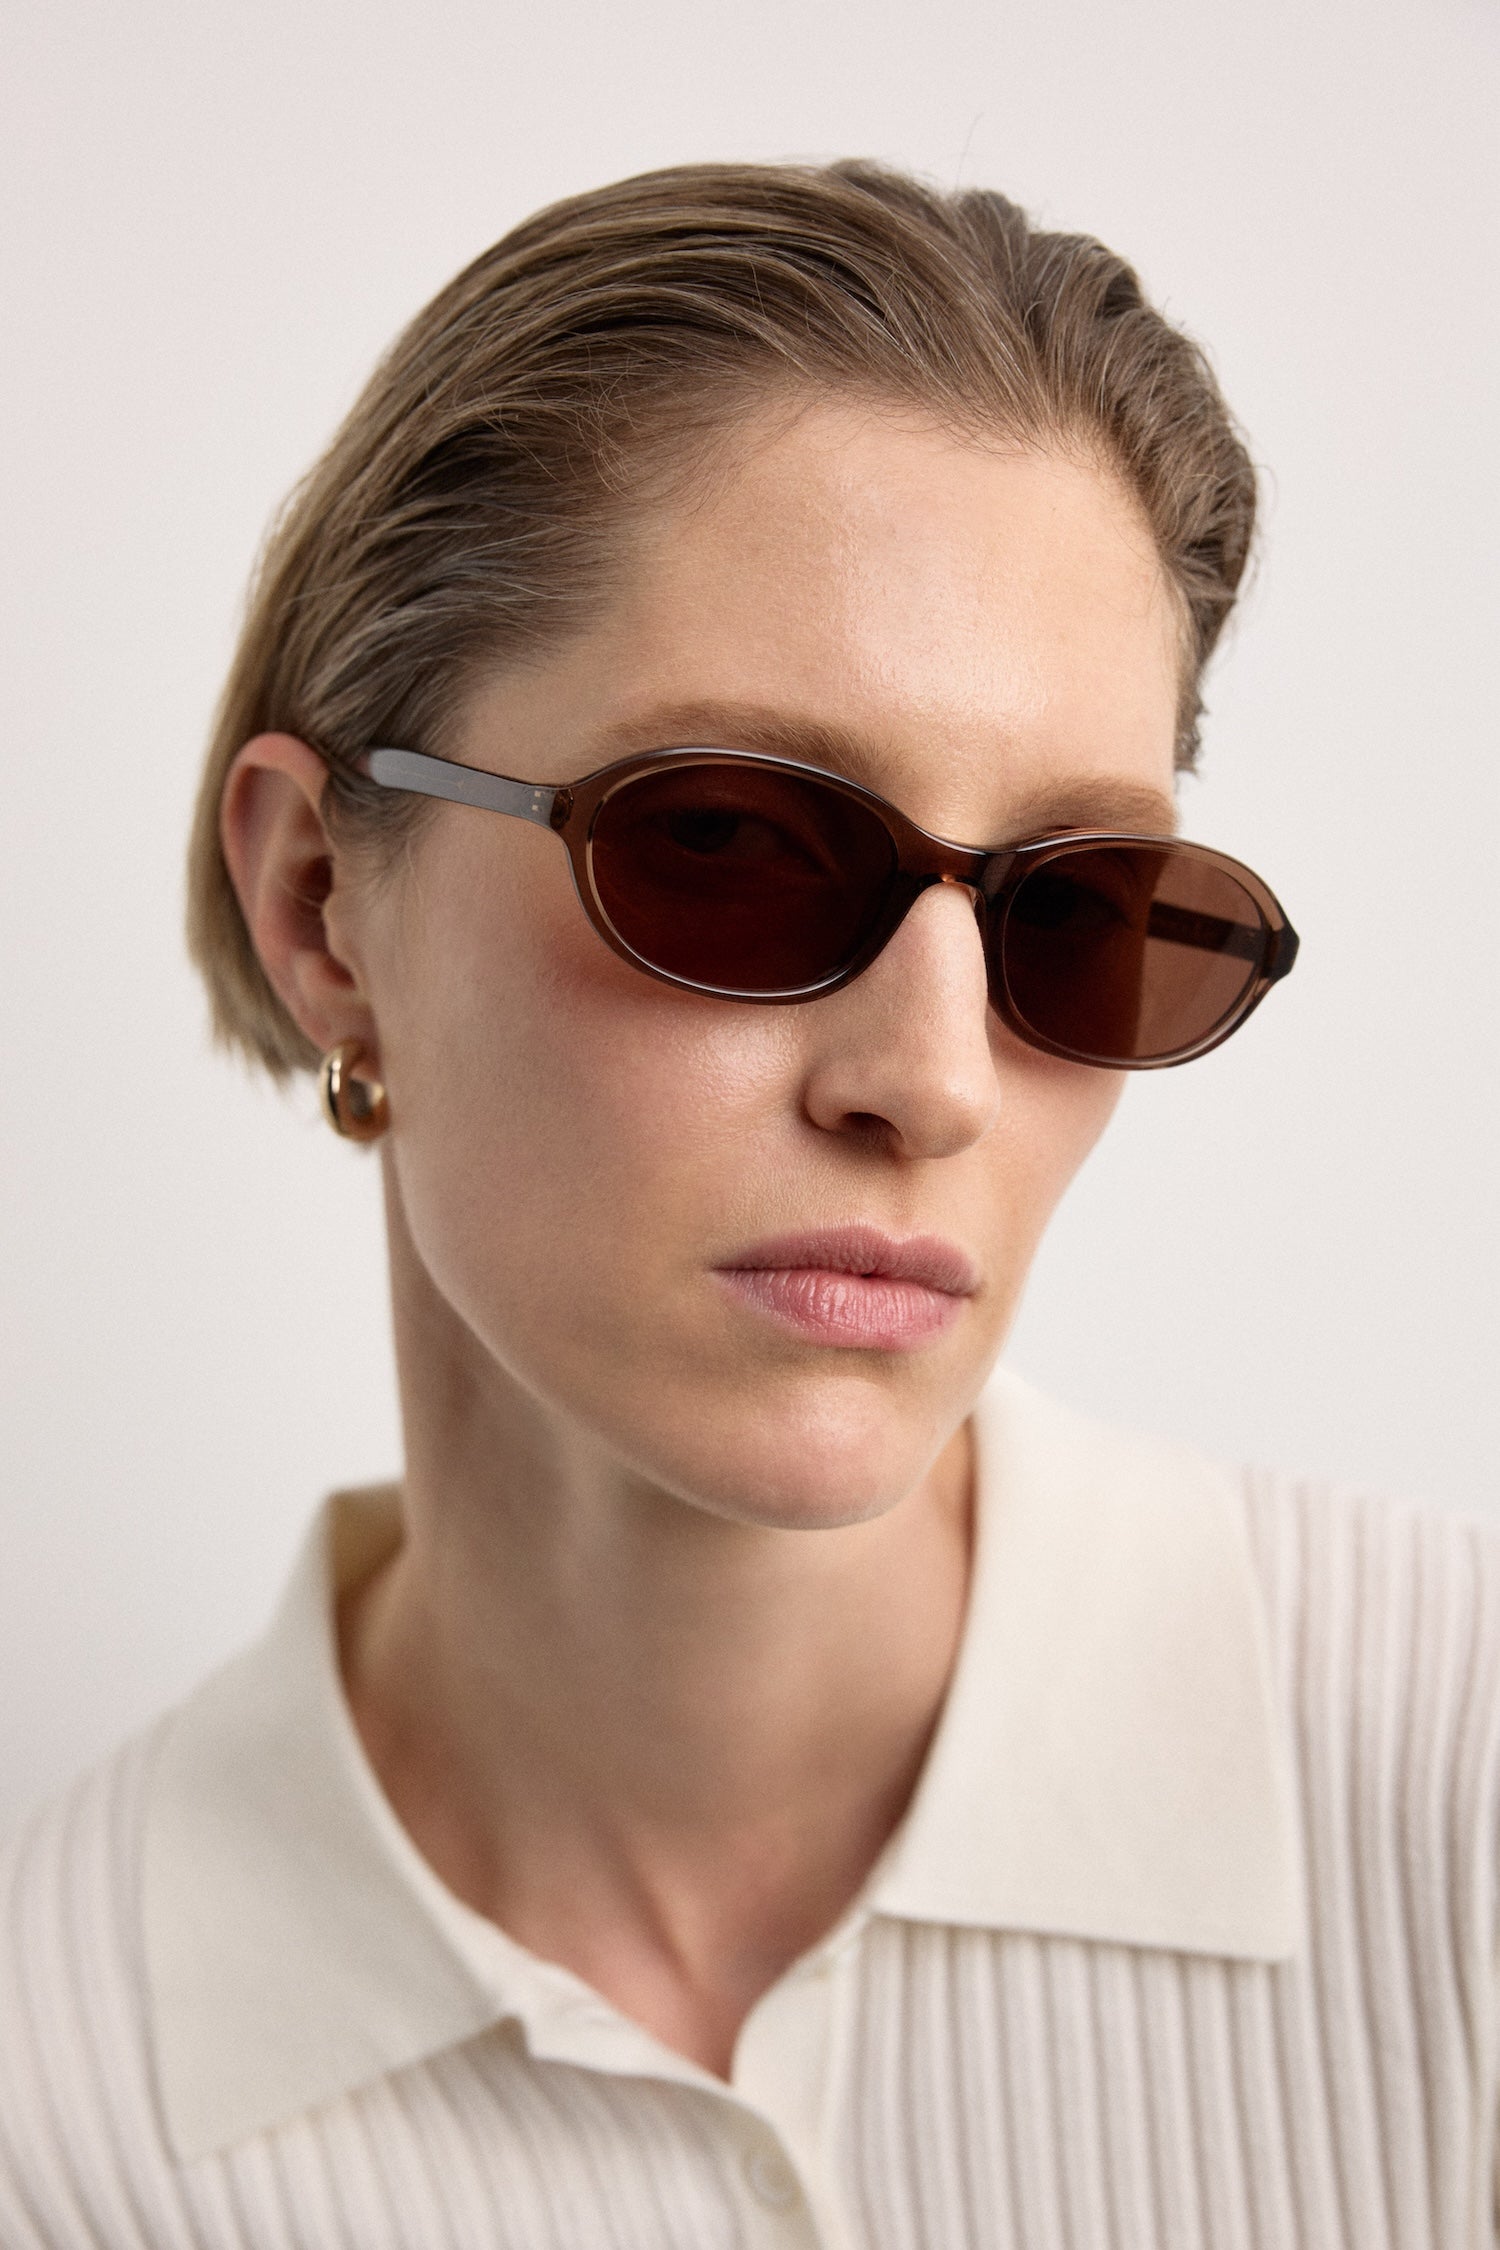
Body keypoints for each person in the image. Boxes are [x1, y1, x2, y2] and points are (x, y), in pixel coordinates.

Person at [0, 159, 1493, 2250]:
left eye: (1078, 908)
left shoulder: (1459, 1783)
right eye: (727, 844)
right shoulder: (54, 2122)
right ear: (325, 905)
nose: (932, 1082)